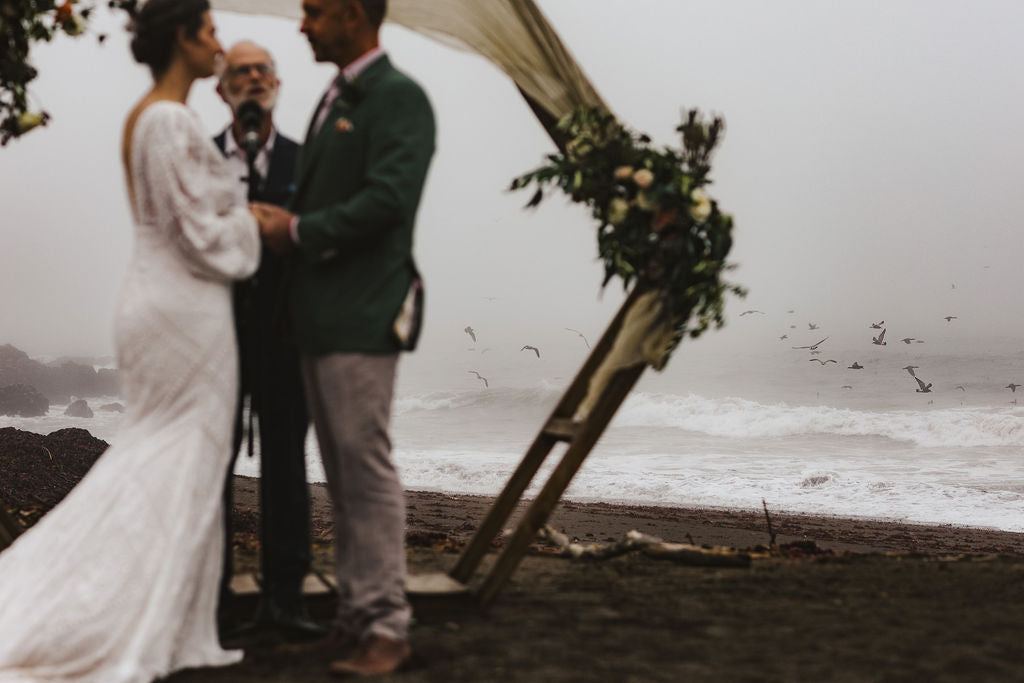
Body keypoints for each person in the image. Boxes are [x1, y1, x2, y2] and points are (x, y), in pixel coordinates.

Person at [0, 1, 260, 680]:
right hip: (185, 309)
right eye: (209, 31)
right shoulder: (170, 121)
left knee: (168, 453)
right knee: (179, 456)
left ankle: (163, 614)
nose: (219, 43)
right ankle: (115, 611)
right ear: (182, 38)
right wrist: (257, 225)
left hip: (157, 301)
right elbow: (202, 236)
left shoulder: (144, 117)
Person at [252, 0, 435, 675]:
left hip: (362, 315)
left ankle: (387, 626)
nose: (302, 25)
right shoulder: (337, 95)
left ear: (356, 14)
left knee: (366, 472)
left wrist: (294, 231)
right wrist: (286, 214)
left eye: (315, 11)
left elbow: (388, 201)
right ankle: (354, 616)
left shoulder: (400, 97)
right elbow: (337, 195)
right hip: (320, 318)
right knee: (341, 478)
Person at [211, 40, 320, 640]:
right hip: (213, 341)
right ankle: (214, 601)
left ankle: (285, 597)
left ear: (276, 84)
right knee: (212, 465)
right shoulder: (198, 158)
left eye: (262, 70)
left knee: (285, 465)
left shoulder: (308, 161)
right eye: (240, 72)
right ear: (220, 88)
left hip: (285, 337)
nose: (252, 79)